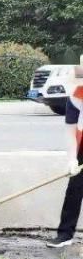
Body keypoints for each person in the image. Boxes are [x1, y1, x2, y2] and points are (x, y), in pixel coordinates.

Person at [51, 66, 83, 248]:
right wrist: (72, 159)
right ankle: (65, 234)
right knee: (75, 186)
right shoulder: (75, 96)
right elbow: (70, 131)